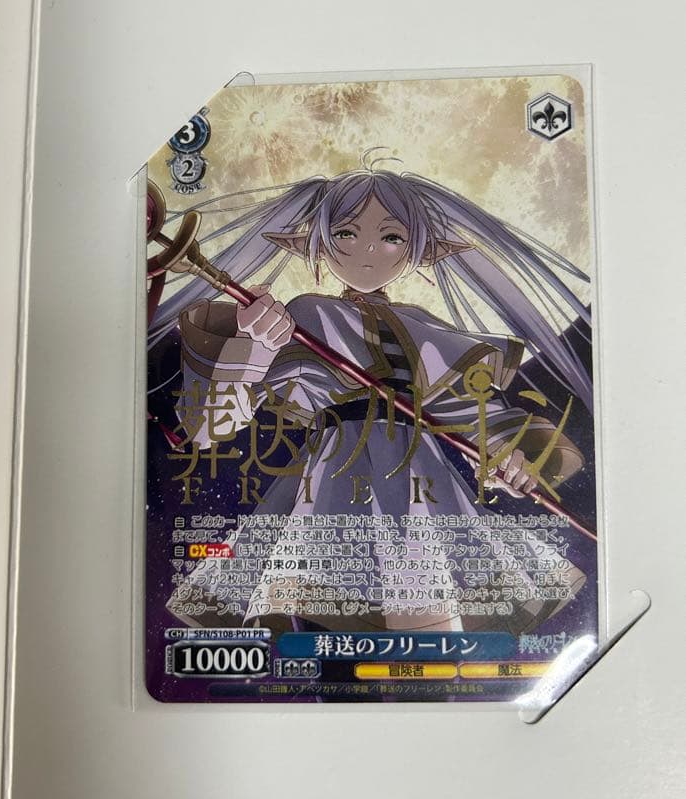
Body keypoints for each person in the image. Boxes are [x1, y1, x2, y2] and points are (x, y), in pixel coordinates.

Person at [149, 169, 592, 634]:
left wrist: (510, 462)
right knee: (326, 619)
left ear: (416, 248)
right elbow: (208, 426)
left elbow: (477, 419)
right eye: (345, 232)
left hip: (425, 489)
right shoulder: (308, 314)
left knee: (430, 635)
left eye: (391, 237)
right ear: (319, 242)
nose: (368, 251)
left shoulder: (427, 328)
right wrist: (254, 349)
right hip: (335, 481)